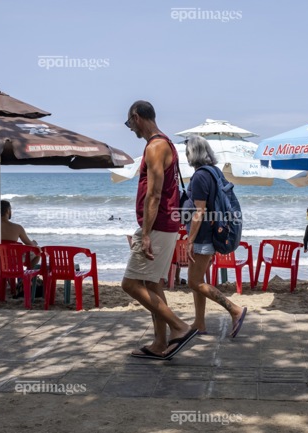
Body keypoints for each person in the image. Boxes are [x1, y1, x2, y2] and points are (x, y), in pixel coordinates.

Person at [121, 100, 198, 360]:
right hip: (165, 224)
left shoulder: (155, 147)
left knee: (130, 284)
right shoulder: (165, 144)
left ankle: (180, 327)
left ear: (136, 117)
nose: (130, 128)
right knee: (152, 284)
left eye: (129, 123)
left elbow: (153, 194)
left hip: (157, 225)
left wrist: (144, 234)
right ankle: (159, 343)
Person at [183, 135, 247, 337]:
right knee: (197, 279)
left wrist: (190, 240)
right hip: (211, 234)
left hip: (202, 237)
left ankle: (234, 310)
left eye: (187, 152)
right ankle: (199, 323)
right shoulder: (214, 172)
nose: (186, 156)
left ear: (193, 153)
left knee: (194, 282)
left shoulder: (200, 176)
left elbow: (199, 211)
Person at [0, 200, 40, 266]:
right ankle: (25, 275)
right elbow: (31, 245)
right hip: (13, 261)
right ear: (8, 210)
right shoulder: (18, 228)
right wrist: (34, 243)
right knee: (38, 251)